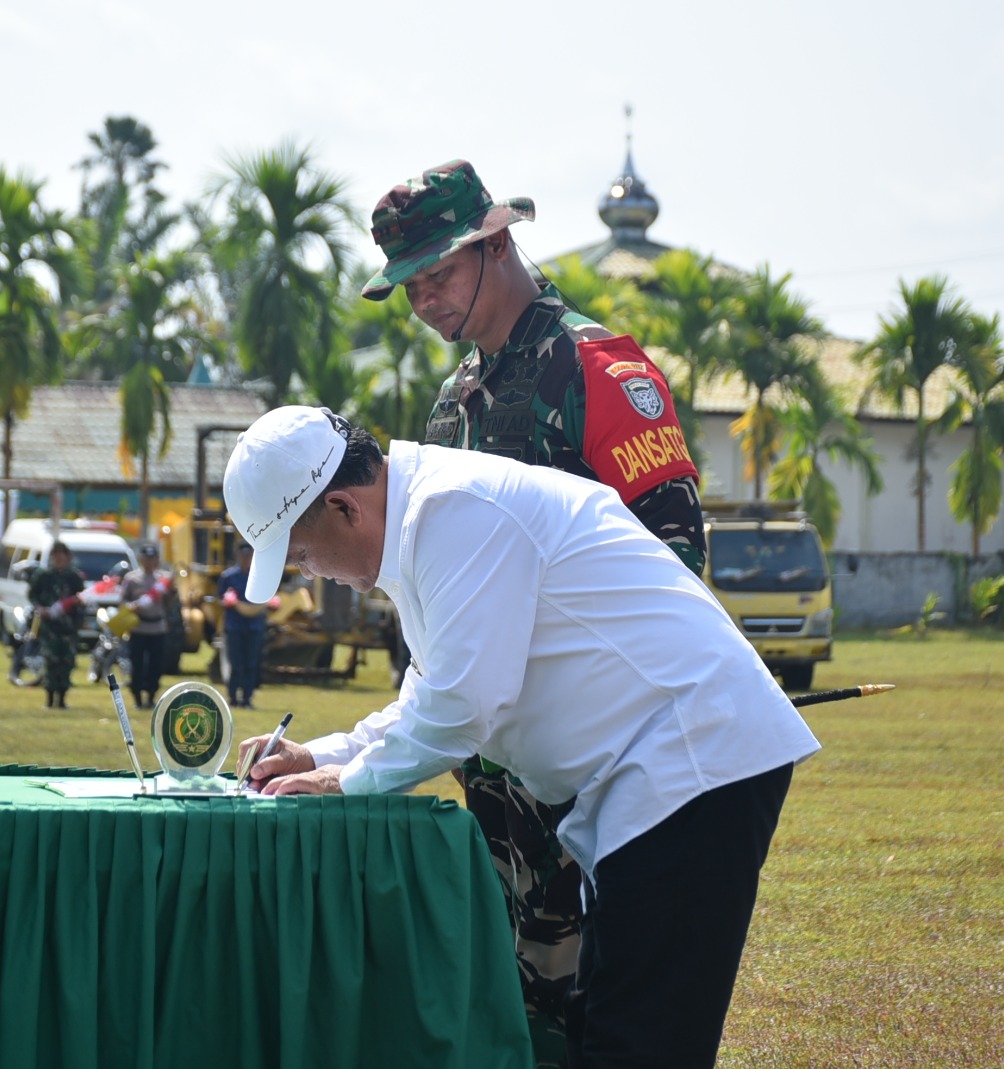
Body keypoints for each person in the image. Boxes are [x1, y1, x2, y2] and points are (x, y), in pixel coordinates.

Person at [226, 407, 820, 1069]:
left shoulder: (452, 513)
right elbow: (434, 690)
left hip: (691, 762)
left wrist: (343, 780)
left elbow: (462, 708)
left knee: (639, 1042)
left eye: (302, 554)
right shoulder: (426, 519)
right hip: (659, 777)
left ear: (342, 506)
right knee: (604, 1030)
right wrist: (324, 752)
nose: (310, 573)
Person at [361, 158, 707, 1061]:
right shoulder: (454, 404)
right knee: (510, 1015)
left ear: (498, 241)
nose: (423, 300)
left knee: (607, 1014)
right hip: (495, 782)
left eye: (438, 272)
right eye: (407, 286)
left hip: (598, 772)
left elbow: (677, 569)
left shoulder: (596, 367)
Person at [29, 541, 85, 708]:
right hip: (49, 628)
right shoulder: (43, 575)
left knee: (66, 663)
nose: (59, 558)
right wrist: (40, 608)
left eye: (62, 555)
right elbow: (33, 595)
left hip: (68, 628)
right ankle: (50, 699)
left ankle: (62, 699)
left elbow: (81, 598)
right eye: (56, 555)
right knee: (51, 662)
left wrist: (76, 603)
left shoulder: (73, 577)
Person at [119, 542, 174, 709]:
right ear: (141, 559)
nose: (150, 562)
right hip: (139, 627)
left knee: (156, 665)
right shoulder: (132, 579)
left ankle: (151, 696)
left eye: (153, 558)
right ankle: (136, 696)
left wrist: (171, 592)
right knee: (137, 664)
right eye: (147, 558)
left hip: (157, 627)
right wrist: (133, 606)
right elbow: (122, 601)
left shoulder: (163, 579)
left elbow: (171, 604)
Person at [216, 542, 266, 709]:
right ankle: (232, 698)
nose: (246, 558)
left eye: (249, 555)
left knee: (251, 663)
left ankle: (247, 698)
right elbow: (220, 599)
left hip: (254, 625)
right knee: (235, 663)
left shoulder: (260, 575)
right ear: (237, 554)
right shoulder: (228, 577)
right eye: (243, 555)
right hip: (235, 626)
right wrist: (228, 601)